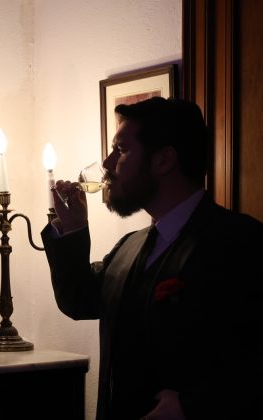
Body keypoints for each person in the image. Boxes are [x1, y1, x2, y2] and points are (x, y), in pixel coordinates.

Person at [41, 97, 263, 420]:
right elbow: (80, 299)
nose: (107, 164)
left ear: (164, 160)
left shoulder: (241, 242)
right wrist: (74, 230)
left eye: (121, 150)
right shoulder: (128, 247)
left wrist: (191, 406)